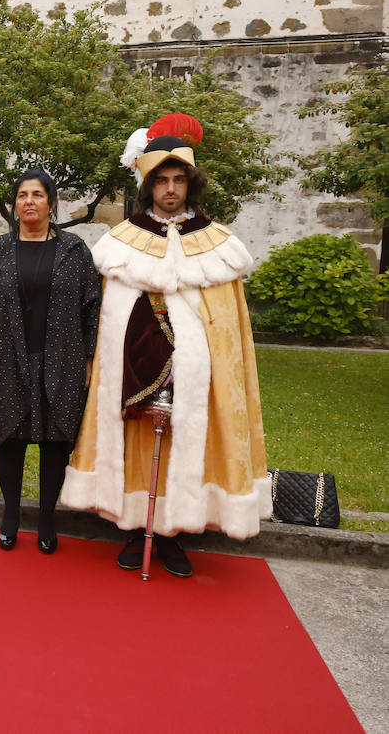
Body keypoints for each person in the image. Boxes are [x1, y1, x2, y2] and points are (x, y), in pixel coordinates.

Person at [62, 115, 269, 578]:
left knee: (189, 445)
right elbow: (109, 317)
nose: (170, 189)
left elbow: (229, 327)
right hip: (135, 371)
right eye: (162, 181)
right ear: (149, 186)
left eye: (178, 180)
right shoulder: (121, 243)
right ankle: (138, 529)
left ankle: (175, 534)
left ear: (189, 185)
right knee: (137, 447)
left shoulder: (217, 244)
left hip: (199, 377)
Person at [0, 170, 100, 554]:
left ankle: (46, 518)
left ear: (51, 203)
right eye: (22, 195)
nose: (29, 201)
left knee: (55, 441)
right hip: (8, 356)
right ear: (15, 203)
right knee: (10, 438)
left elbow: (92, 306)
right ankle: (11, 516)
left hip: (62, 357)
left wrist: (90, 358)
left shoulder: (75, 251)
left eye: (38, 195)